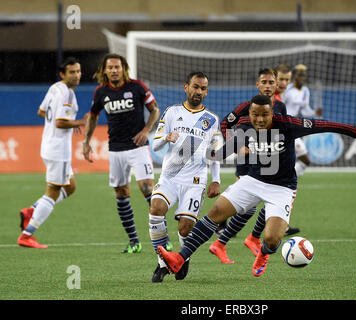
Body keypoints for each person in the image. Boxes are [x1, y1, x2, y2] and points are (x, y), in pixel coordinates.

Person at [157, 94, 356, 278]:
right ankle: (179, 258)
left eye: (264, 115)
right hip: (253, 180)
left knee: (271, 238)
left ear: (272, 114)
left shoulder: (288, 125)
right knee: (215, 213)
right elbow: (223, 152)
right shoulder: (244, 127)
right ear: (249, 113)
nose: (259, 119)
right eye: (255, 114)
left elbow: (323, 125)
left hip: (282, 188)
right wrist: (199, 151)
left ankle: (264, 253)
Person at [209, 68, 291, 264]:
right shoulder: (246, 107)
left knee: (264, 203)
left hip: (268, 163)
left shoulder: (280, 107)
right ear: (258, 84)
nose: (269, 86)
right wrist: (237, 146)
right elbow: (225, 124)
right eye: (264, 82)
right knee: (249, 207)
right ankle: (224, 242)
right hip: (248, 162)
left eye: (272, 82)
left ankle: (246, 239)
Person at [83, 53, 160, 253]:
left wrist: (146, 131)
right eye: (110, 67)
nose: (114, 70)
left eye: (117, 67)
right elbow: (92, 116)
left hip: (138, 148)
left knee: (147, 189)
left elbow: (155, 110)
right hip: (115, 149)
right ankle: (134, 241)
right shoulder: (101, 92)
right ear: (105, 70)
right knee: (121, 193)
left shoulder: (137, 86)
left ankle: (162, 240)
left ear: (123, 68)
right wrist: (86, 142)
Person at [149, 71, 221, 283]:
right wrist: (166, 138)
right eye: (195, 87)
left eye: (203, 88)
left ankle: (183, 256)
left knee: (185, 227)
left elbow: (214, 154)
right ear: (186, 87)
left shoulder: (212, 120)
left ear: (206, 92)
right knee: (155, 210)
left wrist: (216, 179)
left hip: (195, 181)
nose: (199, 91)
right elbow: (155, 143)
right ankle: (162, 264)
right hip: (170, 176)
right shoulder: (172, 112)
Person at [17, 57, 87, 248]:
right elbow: (60, 122)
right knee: (53, 193)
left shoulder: (55, 88)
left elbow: (42, 111)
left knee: (70, 186)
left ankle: (31, 210)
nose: (77, 75)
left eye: (79, 71)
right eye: (72, 72)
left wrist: (68, 121)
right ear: (63, 74)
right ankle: (27, 234)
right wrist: (80, 122)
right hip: (58, 150)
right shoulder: (67, 94)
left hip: (48, 145)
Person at [283, 64, 322, 177]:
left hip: (294, 128)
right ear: (294, 76)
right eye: (299, 75)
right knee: (301, 160)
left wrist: (315, 113)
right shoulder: (287, 90)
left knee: (305, 161)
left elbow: (305, 110)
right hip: (284, 127)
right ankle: (284, 180)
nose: (302, 78)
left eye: (303, 75)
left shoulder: (305, 91)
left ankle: (286, 179)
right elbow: (278, 105)